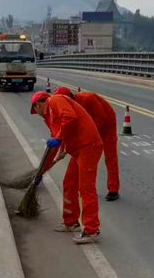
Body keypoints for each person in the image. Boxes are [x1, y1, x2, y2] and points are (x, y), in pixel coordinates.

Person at [30, 91, 103, 244]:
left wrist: (58, 138)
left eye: (35, 111)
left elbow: (70, 117)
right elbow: (53, 147)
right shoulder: (50, 118)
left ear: (37, 104)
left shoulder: (55, 100)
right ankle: (71, 222)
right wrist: (41, 172)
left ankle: (92, 230)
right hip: (78, 150)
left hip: (88, 146)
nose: (37, 115)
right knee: (69, 184)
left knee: (86, 188)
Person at [54, 87, 120, 201]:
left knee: (110, 157)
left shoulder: (89, 98)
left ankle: (113, 189)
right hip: (90, 127)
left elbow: (102, 118)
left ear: (70, 98)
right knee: (84, 158)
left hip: (107, 124)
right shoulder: (68, 109)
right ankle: (85, 187)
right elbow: (67, 128)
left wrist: (88, 135)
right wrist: (61, 149)